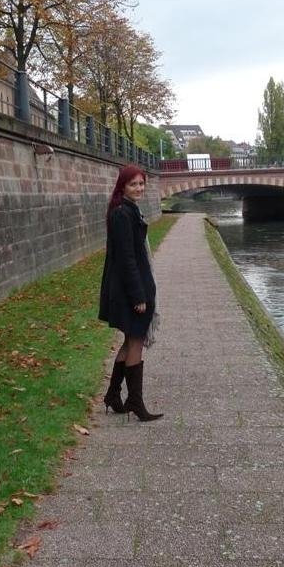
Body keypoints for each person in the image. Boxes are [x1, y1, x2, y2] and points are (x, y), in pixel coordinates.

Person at [98, 165, 164, 422]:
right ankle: (135, 402)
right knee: (135, 341)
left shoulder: (127, 210)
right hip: (130, 292)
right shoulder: (122, 214)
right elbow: (127, 259)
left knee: (129, 341)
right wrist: (138, 296)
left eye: (141, 184)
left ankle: (113, 395)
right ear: (123, 186)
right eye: (133, 184)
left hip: (130, 288)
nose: (139, 188)